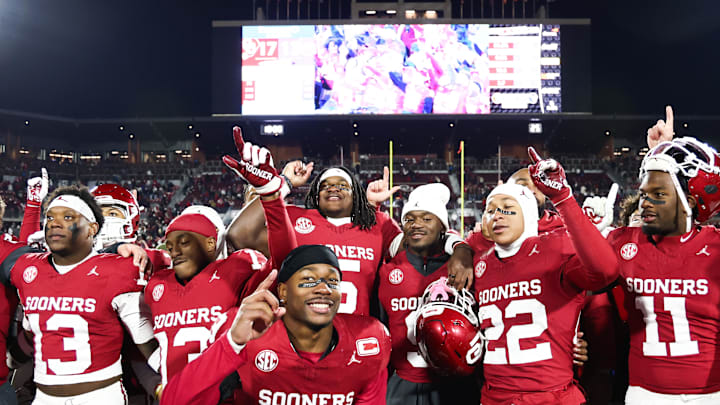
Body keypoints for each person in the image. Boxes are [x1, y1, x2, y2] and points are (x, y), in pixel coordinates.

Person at [224, 126, 473, 316]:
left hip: (359, 342)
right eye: (326, 185)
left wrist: (460, 247)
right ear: (315, 195)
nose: (334, 189)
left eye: (343, 185)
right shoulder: (296, 216)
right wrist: (282, 185)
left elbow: (421, 241)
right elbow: (240, 235)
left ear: (356, 195)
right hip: (297, 337)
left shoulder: (377, 223)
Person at [564, 137, 720, 404]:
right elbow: (566, 280)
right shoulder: (625, 242)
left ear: (690, 202)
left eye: (658, 195)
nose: (644, 202)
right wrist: (588, 232)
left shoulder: (715, 248)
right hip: (645, 393)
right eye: (645, 192)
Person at [145, 132, 296, 390]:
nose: (174, 251)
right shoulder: (156, 282)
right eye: (170, 245)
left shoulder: (236, 269)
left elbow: (288, 264)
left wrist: (271, 196)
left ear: (211, 243)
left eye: (184, 242)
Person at [158, 245, 391, 405]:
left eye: (332, 281)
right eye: (308, 280)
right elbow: (174, 400)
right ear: (283, 291)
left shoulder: (369, 338)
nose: (323, 289)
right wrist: (232, 343)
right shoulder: (246, 331)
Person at [474, 148, 619, 404]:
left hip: (551, 395)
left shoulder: (557, 244)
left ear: (528, 212)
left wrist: (563, 197)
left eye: (507, 208)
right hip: (495, 395)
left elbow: (605, 271)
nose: (497, 215)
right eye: (491, 209)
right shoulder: (479, 262)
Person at [3, 186, 158, 404]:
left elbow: (147, 340)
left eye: (113, 213)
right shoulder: (38, 267)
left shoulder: (134, 264)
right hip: (46, 389)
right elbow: (34, 327)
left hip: (115, 387)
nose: (56, 223)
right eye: (51, 218)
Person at [378, 183, 481, 405]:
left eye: (427, 218)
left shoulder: (462, 265)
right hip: (400, 385)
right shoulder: (388, 271)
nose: (416, 225)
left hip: (455, 386)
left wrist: (461, 248)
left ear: (442, 225)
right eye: (410, 219)